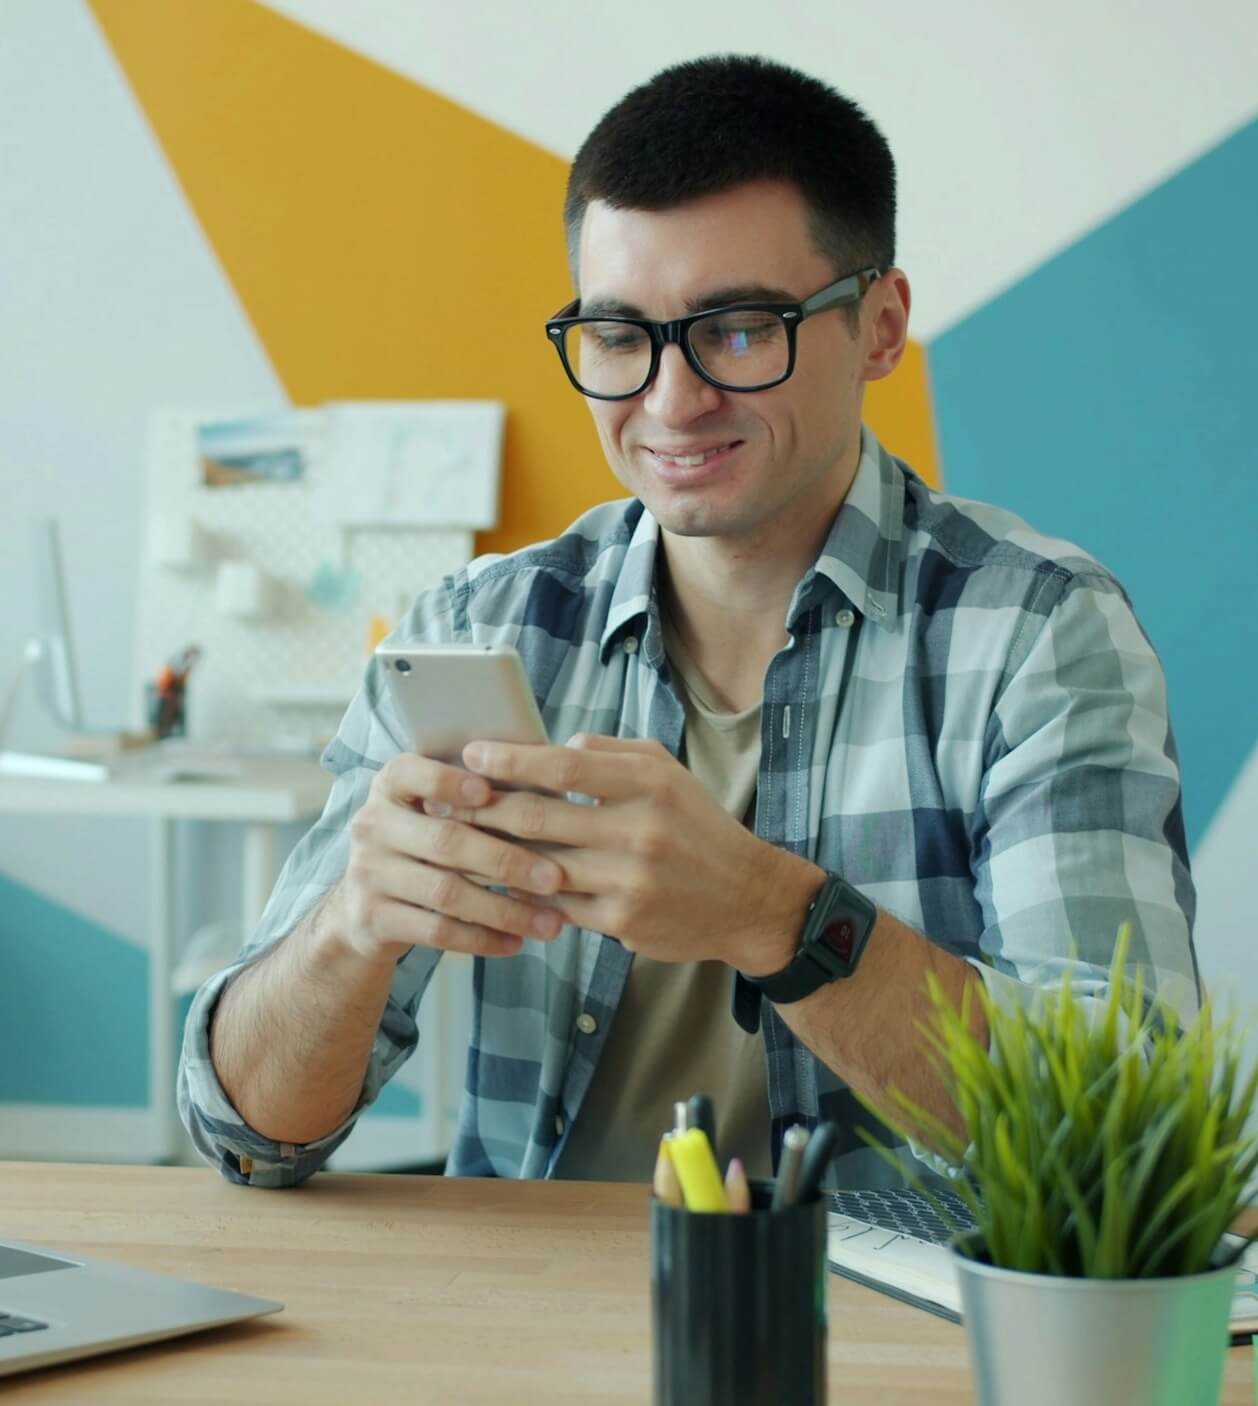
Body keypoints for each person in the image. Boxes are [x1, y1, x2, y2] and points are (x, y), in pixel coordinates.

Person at [178, 55, 1198, 1189]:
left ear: (878, 325)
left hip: (892, 1343)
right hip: (528, 1334)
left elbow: (1130, 1142)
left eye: (740, 328)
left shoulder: (1036, 635)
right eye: (618, 337)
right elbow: (246, 1134)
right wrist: (346, 931)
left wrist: (776, 916)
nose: (669, 401)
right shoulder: (484, 624)